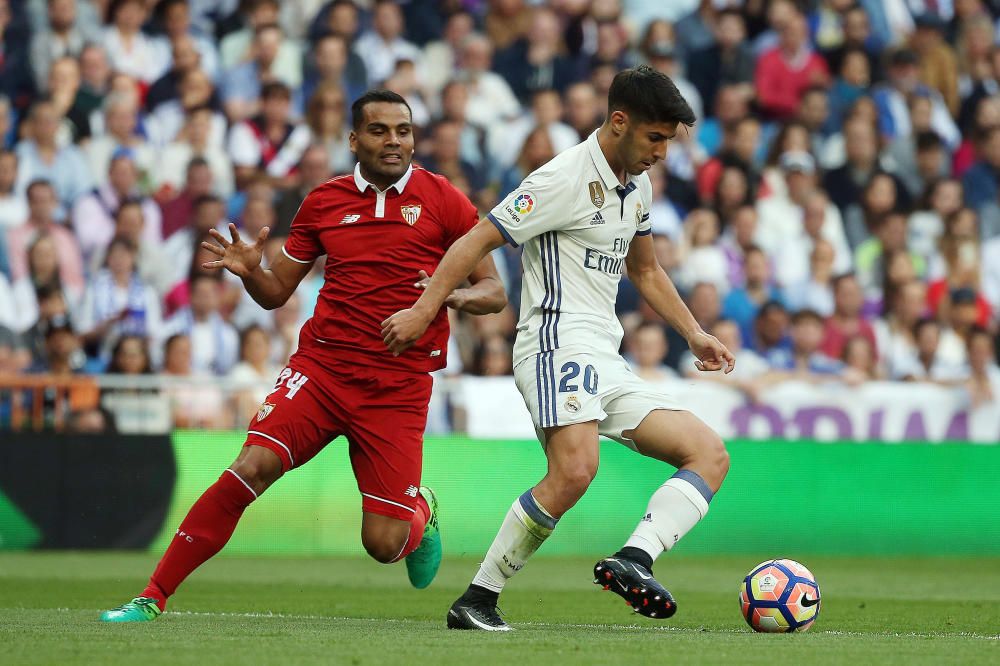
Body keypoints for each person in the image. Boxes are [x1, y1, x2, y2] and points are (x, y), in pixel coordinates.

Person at [99, 90, 506, 623]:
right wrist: (250, 272)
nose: (394, 141)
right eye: (380, 130)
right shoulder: (324, 201)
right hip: (322, 370)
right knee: (250, 467)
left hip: (398, 387)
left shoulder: (445, 199)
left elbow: (494, 292)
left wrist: (448, 296)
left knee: (384, 543)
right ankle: (151, 597)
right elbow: (276, 293)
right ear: (353, 140)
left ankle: (419, 513)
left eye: (403, 131)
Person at [382, 66, 734, 631]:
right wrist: (426, 310)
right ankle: (478, 599)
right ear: (620, 122)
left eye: (668, 140)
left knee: (709, 454)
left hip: (604, 353)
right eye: (656, 137)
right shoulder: (562, 179)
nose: (662, 153)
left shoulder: (636, 186)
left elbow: (645, 271)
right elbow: (478, 235)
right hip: (553, 340)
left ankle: (635, 557)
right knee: (575, 469)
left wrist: (694, 332)